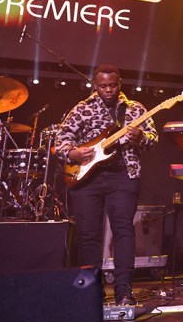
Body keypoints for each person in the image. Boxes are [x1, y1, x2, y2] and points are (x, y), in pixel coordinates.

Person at [55, 64, 158, 305]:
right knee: (88, 234)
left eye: (113, 85)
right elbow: (61, 139)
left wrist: (141, 137)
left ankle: (124, 290)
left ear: (119, 83)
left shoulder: (135, 109)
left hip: (124, 174)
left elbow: (153, 139)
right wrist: (74, 153)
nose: (109, 90)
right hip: (87, 177)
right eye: (103, 86)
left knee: (124, 230)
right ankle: (92, 292)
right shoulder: (82, 108)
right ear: (95, 85)